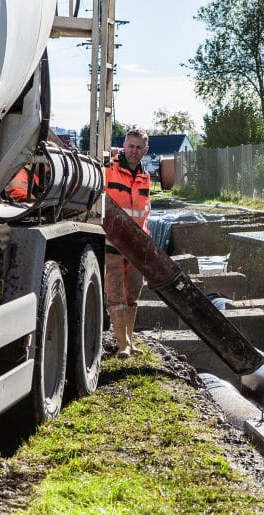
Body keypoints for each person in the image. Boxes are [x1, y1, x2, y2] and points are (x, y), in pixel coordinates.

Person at [104, 129, 151, 358]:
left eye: (139, 147)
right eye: (131, 146)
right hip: (112, 240)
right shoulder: (109, 168)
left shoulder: (145, 176)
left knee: (133, 293)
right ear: (123, 145)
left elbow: (145, 210)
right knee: (116, 294)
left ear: (146, 150)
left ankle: (130, 342)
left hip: (136, 243)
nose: (134, 151)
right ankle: (122, 344)